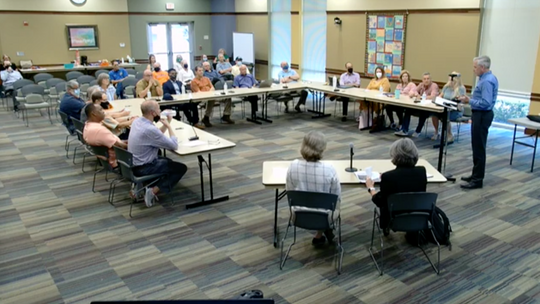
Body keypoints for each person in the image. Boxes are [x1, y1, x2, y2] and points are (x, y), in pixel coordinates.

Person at [128, 100, 188, 207]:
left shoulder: (137, 121)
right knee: (180, 168)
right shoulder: (149, 128)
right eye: (159, 109)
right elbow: (173, 145)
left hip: (134, 163)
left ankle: (140, 185)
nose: (160, 111)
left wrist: (166, 123)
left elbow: (155, 136)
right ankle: (152, 191)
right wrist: (170, 127)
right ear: (153, 113)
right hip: (144, 167)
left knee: (168, 161)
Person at [286, 131, 340, 246]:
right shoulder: (329, 169)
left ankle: (319, 235)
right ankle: (323, 231)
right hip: (325, 217)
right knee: (327, 203)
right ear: (322, 148)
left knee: (314, 199)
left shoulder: (293, 166)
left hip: (298, 215)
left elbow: (289, 192)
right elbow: (337, 198)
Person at [366, 138, 427, 235]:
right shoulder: (422, 171)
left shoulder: (388, 177)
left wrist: (371, 188)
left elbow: (379, 201)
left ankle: (386, 230)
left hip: (393, 219)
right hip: (416, 216)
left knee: (386, 202)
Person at [458, 55, 498, 189]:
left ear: (482, 67)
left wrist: (469, 101)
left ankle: (477, 179)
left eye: (475, 67)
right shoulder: (486, 78)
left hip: (482, 115)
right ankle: (475, 174)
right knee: (477, 146)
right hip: (480, 114)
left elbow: (486, 103)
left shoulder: (486, 81)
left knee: (479, 147)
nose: (473, 69)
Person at [83, 103, 128, 168]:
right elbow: (120, 146)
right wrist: (130, 144)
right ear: (94, 113)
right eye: (101, 110)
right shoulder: (100, 130)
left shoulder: (88, 125)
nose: (104, 112)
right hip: (119, 159)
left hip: (108, 155)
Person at [395, 72, 439, 137]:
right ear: (422, 80)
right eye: (424, 79)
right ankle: (404, 130)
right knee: (408, 110)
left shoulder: (434, 85)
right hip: (420, 106)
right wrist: (416, 94)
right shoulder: (421, 85)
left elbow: (433, 96)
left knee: (423, 113)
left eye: (428, 79)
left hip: (430, 108)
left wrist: (421, 97)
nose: (426, 80)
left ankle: (418, 131)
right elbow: (414, 91)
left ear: (431, 80)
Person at [431, 71, 466, 143]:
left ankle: (449, 135)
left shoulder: (461, 88)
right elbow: (440, 96)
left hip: (456, 110)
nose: (451, 80)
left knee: (446, 116)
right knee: (434, 114)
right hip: (445, 108)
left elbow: (461, 101)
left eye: (452, 78)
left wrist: (458, 98)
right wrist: (438, 99)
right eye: (450, 78)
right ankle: (437, 132)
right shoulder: (446, 87)